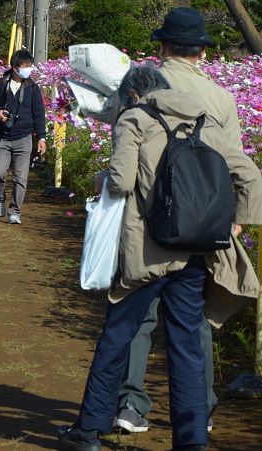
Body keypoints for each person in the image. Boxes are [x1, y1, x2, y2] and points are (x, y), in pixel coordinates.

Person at [56, 64, 262, 451]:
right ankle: (192, 442)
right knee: (186, 349)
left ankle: (89, 432)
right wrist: (238, 224)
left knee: (118, 336)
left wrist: (100, 179)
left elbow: (120, 182)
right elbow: (251, 177)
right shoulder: (205, 121)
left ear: (133, 95)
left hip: (146, 255)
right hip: (196, 255)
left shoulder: (135, 119)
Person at [115, 7, 245, 434]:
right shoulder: (221, 98)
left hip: (147, 217)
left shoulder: (144, 83)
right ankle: (198, 411)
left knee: (138, 312)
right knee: (194, 319)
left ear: (162, 46)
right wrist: (237, 221)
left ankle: (131, 405)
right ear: (202, 53)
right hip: (204, 221)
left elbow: (124, 148)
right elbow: (234, 165)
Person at [0, 49, 46, 225]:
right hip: (1, 137)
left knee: (20, 178)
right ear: (15, 67)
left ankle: (15, 212)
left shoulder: (33, 88)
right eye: (26, 66)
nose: (29, 69)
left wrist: (41, 137)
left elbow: (39, 114)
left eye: (30, 66)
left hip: (23, 138)